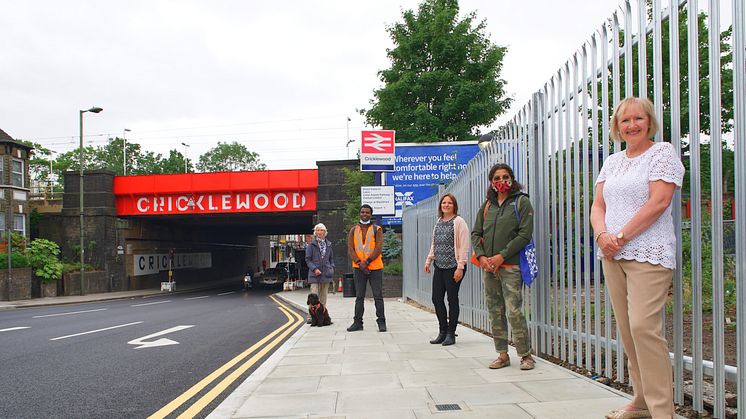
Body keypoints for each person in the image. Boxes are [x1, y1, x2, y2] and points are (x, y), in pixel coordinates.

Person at [591, 97, 684, 419]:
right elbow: (598, 206)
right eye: (625, 120)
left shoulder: (662, 153)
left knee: (645, 327)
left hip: (648, 253)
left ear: (650, 121)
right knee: (628, 330)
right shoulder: (613, 161)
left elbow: (659, 202)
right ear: (617, 126)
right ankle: (641, 401)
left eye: (638, 119)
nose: (632, 125)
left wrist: (620, 236)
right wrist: (604, 236)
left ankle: (662, 411)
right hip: (612, 254)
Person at [471, 163, 536, 371]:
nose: (501, 181)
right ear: (491, 181)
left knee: (513, 311)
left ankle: (525, 355)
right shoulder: (487, 205)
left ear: (512, 178)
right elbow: (475, 233)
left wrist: (501, 255)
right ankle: (502, 354)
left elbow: (524, 235)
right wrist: (481, 257)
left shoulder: (521, 202)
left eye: (505, 176)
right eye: (497, 177)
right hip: (489, 268)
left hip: (511, 267)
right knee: (494, 311)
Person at [424, 193, 469, 346]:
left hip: (454, 267)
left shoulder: (459, 222)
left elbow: (464, 246)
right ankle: (442, 332)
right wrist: (429, 260)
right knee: (436, 298)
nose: (446, 205)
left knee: (452, 299)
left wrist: (460, 267)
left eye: (449, 203)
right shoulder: (438, 222)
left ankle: (451, 333)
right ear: (440, 206)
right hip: (440, 266)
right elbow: (434, 243)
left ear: (454, 206)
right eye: (444, 203)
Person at [346, 204, 386, 332]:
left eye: (367, 212)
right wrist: (359, 262)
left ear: (371, 214)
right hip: (358, 268)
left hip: (375, 267)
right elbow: (351, 249)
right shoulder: (353, 230)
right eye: (362, 212)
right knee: (359, 297)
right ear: (359, 214)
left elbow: (378, 248)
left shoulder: (377, 229)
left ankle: (381, 322)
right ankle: (357, 322)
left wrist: (367, 261)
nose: (364, 214)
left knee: (378, 296)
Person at [305, 223, 335, 324]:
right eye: (318, 230)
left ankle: (322, 316)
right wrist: (314, 269)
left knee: (323, 297)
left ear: (325, 232)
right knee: (313, 296)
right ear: (315, 232)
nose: (320, 232)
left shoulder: (329, 245)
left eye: (322, 230)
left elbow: (331, 259)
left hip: (326, 274)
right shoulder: (311, 245)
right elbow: (308, 260)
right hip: (314, 275)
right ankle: (311, 316)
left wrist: (331, 268)